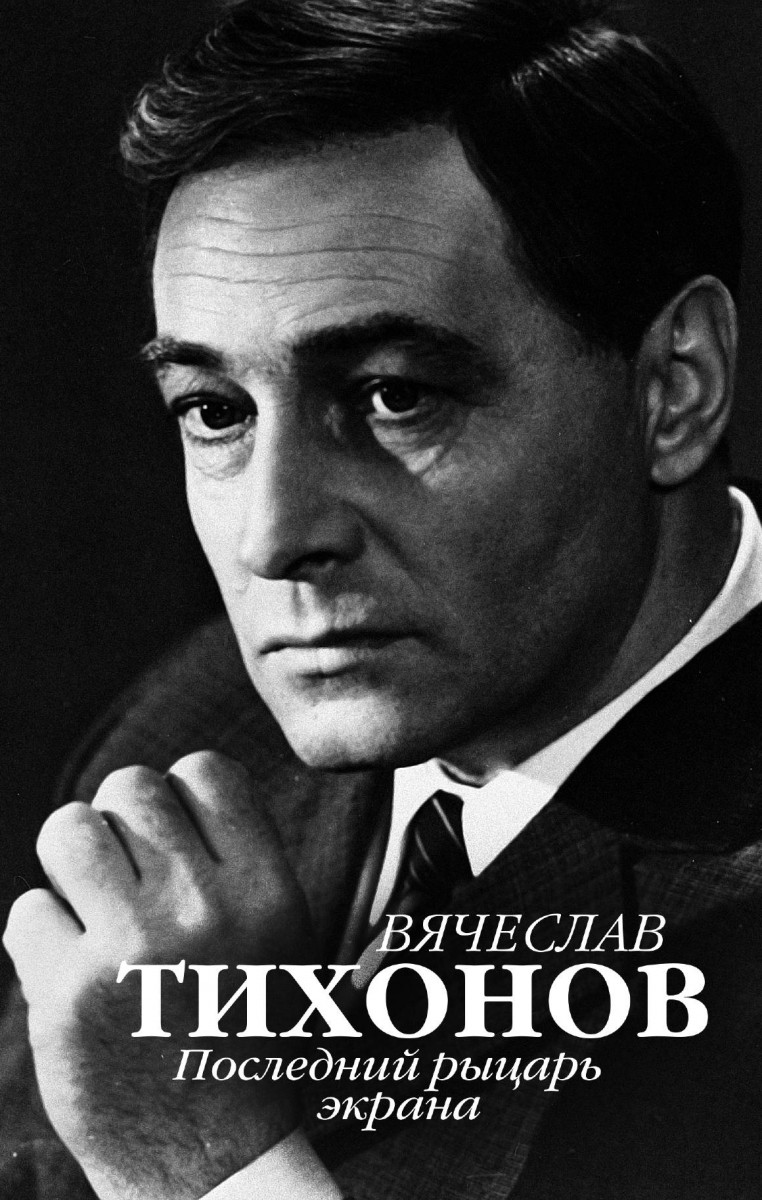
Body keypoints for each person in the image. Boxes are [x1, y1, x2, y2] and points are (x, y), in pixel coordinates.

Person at [2, 0, 762, 1196]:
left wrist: (211, 1164)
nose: (273, 537)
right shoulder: (189, 730)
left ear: (676, 385)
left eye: (395, 395)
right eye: (214, 411)